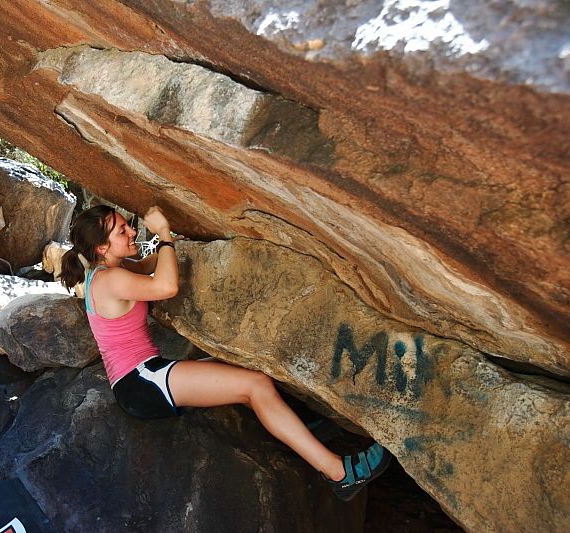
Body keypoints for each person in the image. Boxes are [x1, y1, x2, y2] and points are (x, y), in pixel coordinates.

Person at [59, 204, 391, 502]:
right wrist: (164, 235)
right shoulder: (110, 279)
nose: (131, 231)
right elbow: (166, 286)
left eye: (128, 225)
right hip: (141, 382)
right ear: (102, 247)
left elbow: (149, 263)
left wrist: (170, 243)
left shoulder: (109, 270)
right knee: (255, 384)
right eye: (122, 230)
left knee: (241, 369)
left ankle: (300, 428)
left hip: (146, 376)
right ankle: (340, 474)